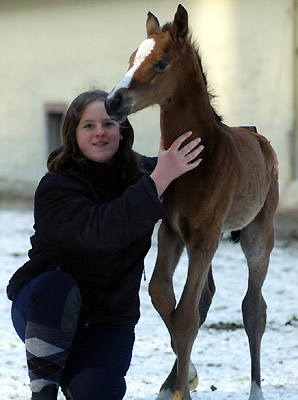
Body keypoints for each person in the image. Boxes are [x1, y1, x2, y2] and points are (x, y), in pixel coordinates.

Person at [6, 89, 204, 400]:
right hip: (45, 309)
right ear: (73, 134)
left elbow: (210, 160)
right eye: (88, 125)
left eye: (109, 123)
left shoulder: (143, 176)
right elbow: (101, 231)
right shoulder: (56, 186)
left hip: (108, 320)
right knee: (57, 286)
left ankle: (75, 375)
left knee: (99, 391)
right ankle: (42, 393)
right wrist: (158, 181)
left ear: (122, 132)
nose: (100, 132)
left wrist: (259, 150)